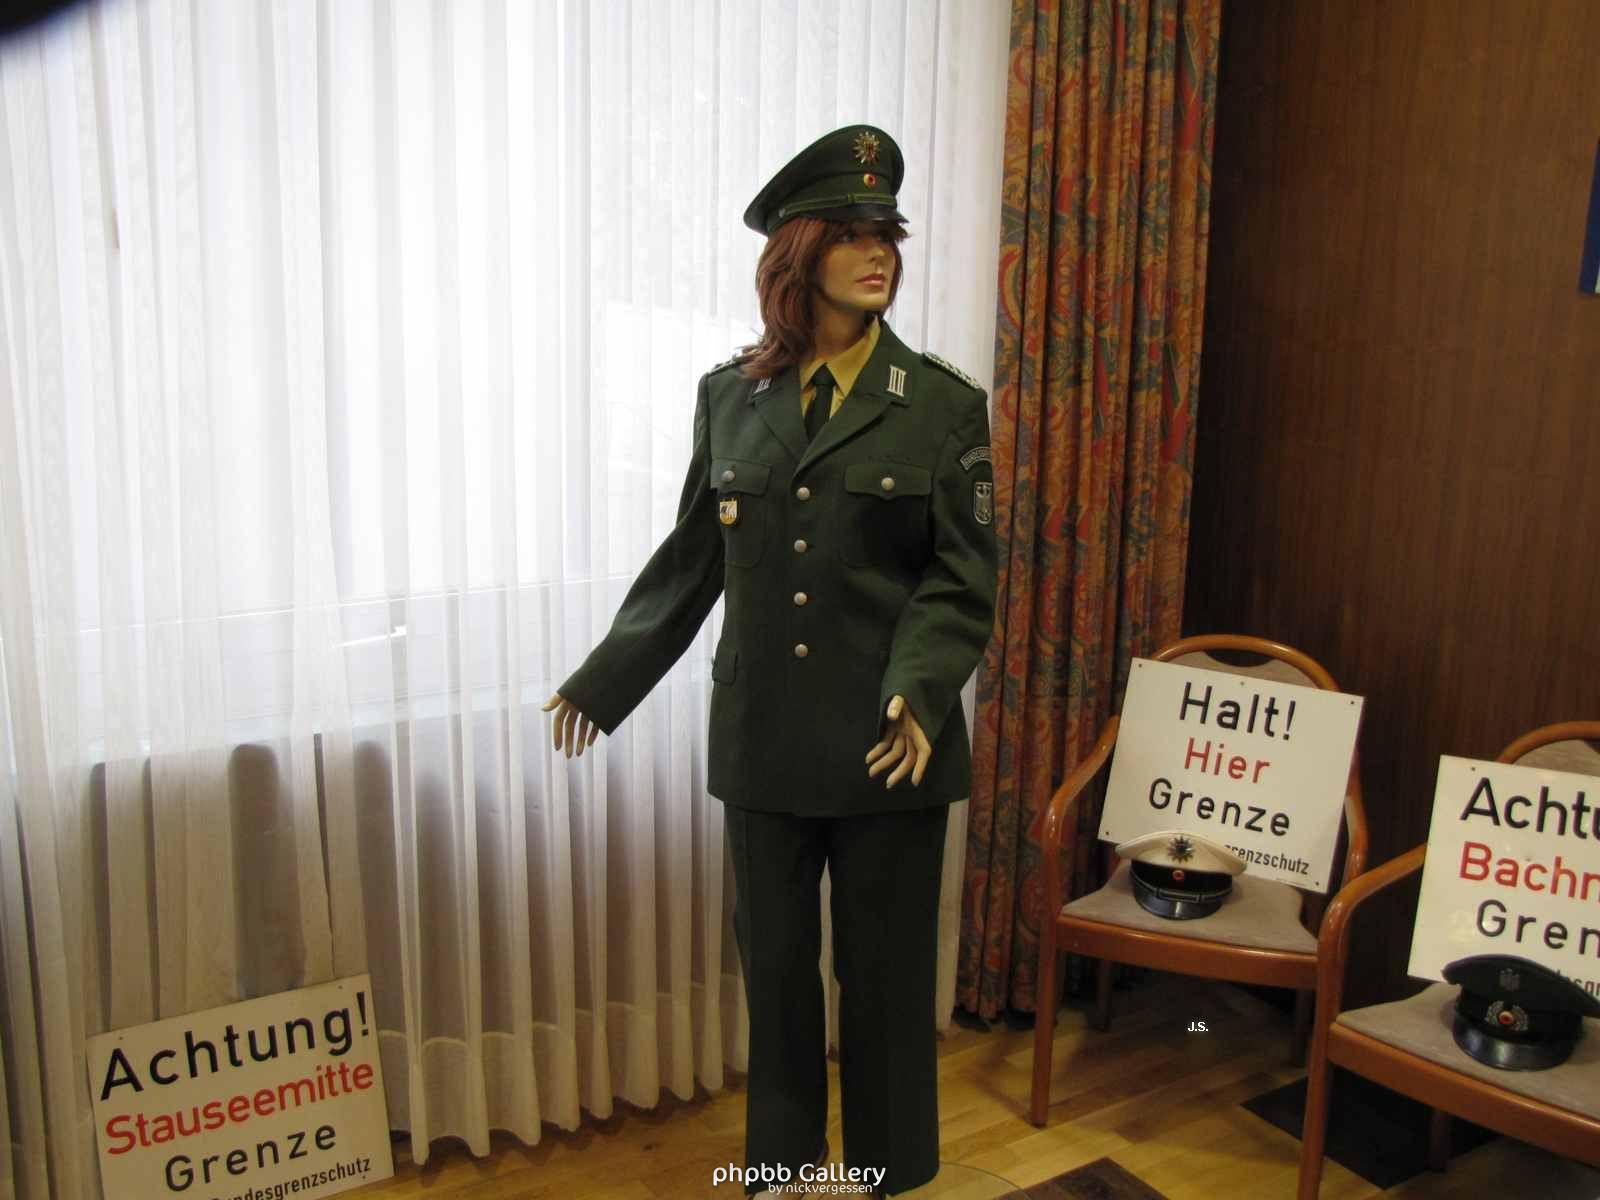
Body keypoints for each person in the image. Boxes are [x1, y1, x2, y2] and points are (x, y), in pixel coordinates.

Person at [544, 124, 997, 1198]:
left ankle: (886, 1175)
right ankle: (782, 1173)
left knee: (884, 986)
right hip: (764, 749)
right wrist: (606, 678)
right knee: (779, 981)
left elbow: (960, 575)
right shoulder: (729, 398)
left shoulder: (941, 405)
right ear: (799, 255)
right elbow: (693, 557)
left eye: (887, 233)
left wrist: (920, 689)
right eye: (851, 234)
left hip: (889, 750)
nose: (878, 252)